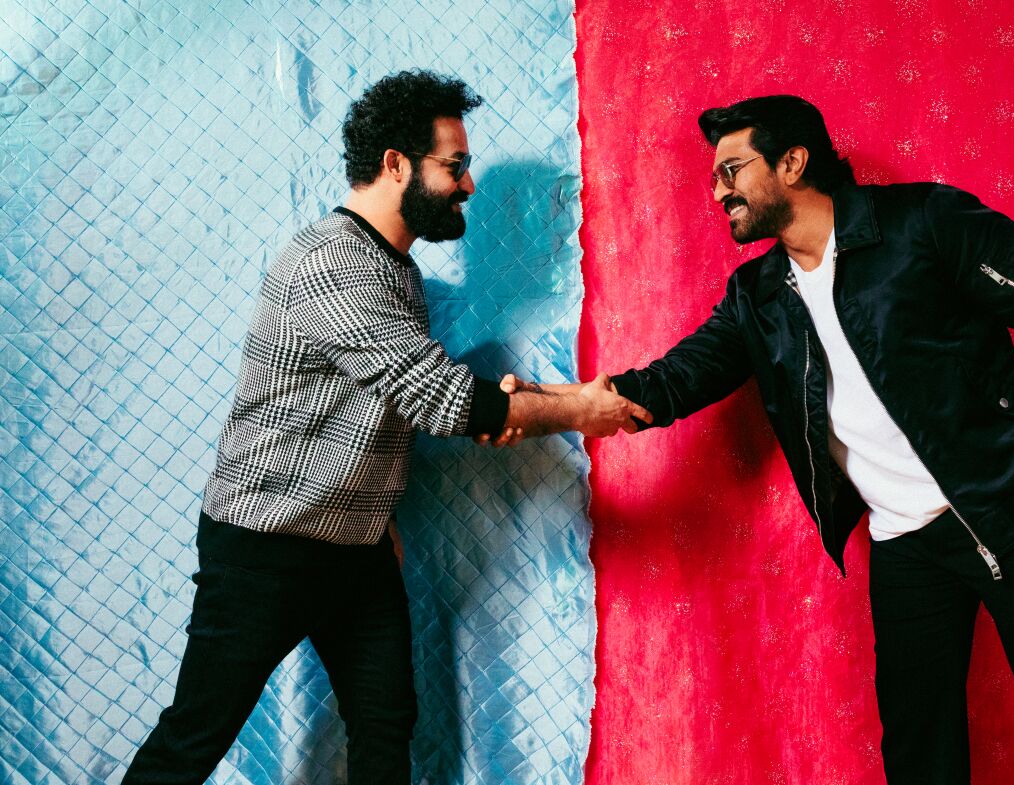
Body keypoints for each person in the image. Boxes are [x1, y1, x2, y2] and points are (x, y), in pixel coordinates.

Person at [501, 95, 1014, 784]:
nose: (718, 189)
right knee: (918, 756)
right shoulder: (759, 297)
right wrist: (551, 407)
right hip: (906, 546)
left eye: (733, 169)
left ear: (792, 161)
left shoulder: (921, 225)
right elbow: (672, 383)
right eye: (714, 175)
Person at [121, 69, 649, 785]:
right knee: (194, 736)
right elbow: (440, 400)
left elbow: (389, 399)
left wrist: (376, 511)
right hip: (265, 547)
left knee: (385, 722)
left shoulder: (393, 268)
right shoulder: (334, 264)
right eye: (454, 166)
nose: (466, 184)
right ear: (396, 164)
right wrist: (580, 409)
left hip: (354, 547)